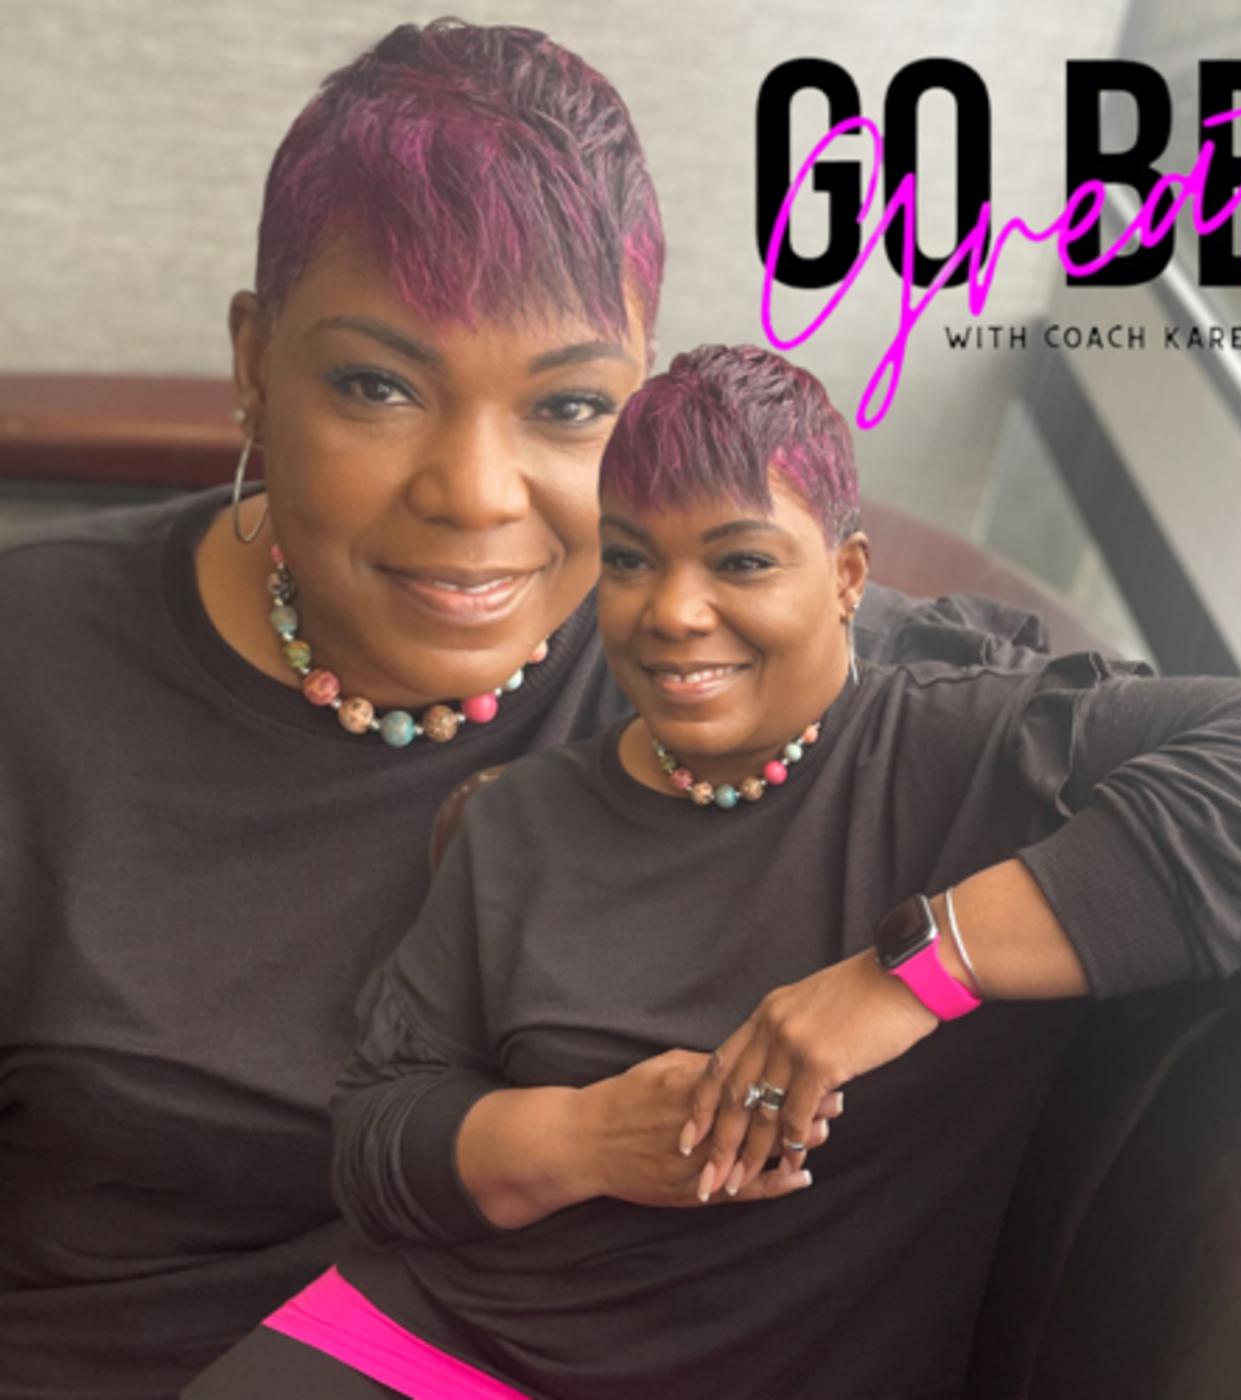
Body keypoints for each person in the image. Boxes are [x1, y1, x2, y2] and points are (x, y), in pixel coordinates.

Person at [0, 23, 1043, 1400]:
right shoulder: (34, 668)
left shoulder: (755, 665)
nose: (476, 493)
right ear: (254, 363)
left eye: (568, 406)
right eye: (379, 386)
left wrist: (913, 971)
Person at [187, 345, 1241, 1399]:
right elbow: (378, 1135)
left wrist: (904, 975)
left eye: (740, 561)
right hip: (415, 1345)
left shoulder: (975, 747)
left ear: (849, 576)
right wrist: (590, 1135)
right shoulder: (522, 821)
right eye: (631, 560)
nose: (673, 612)